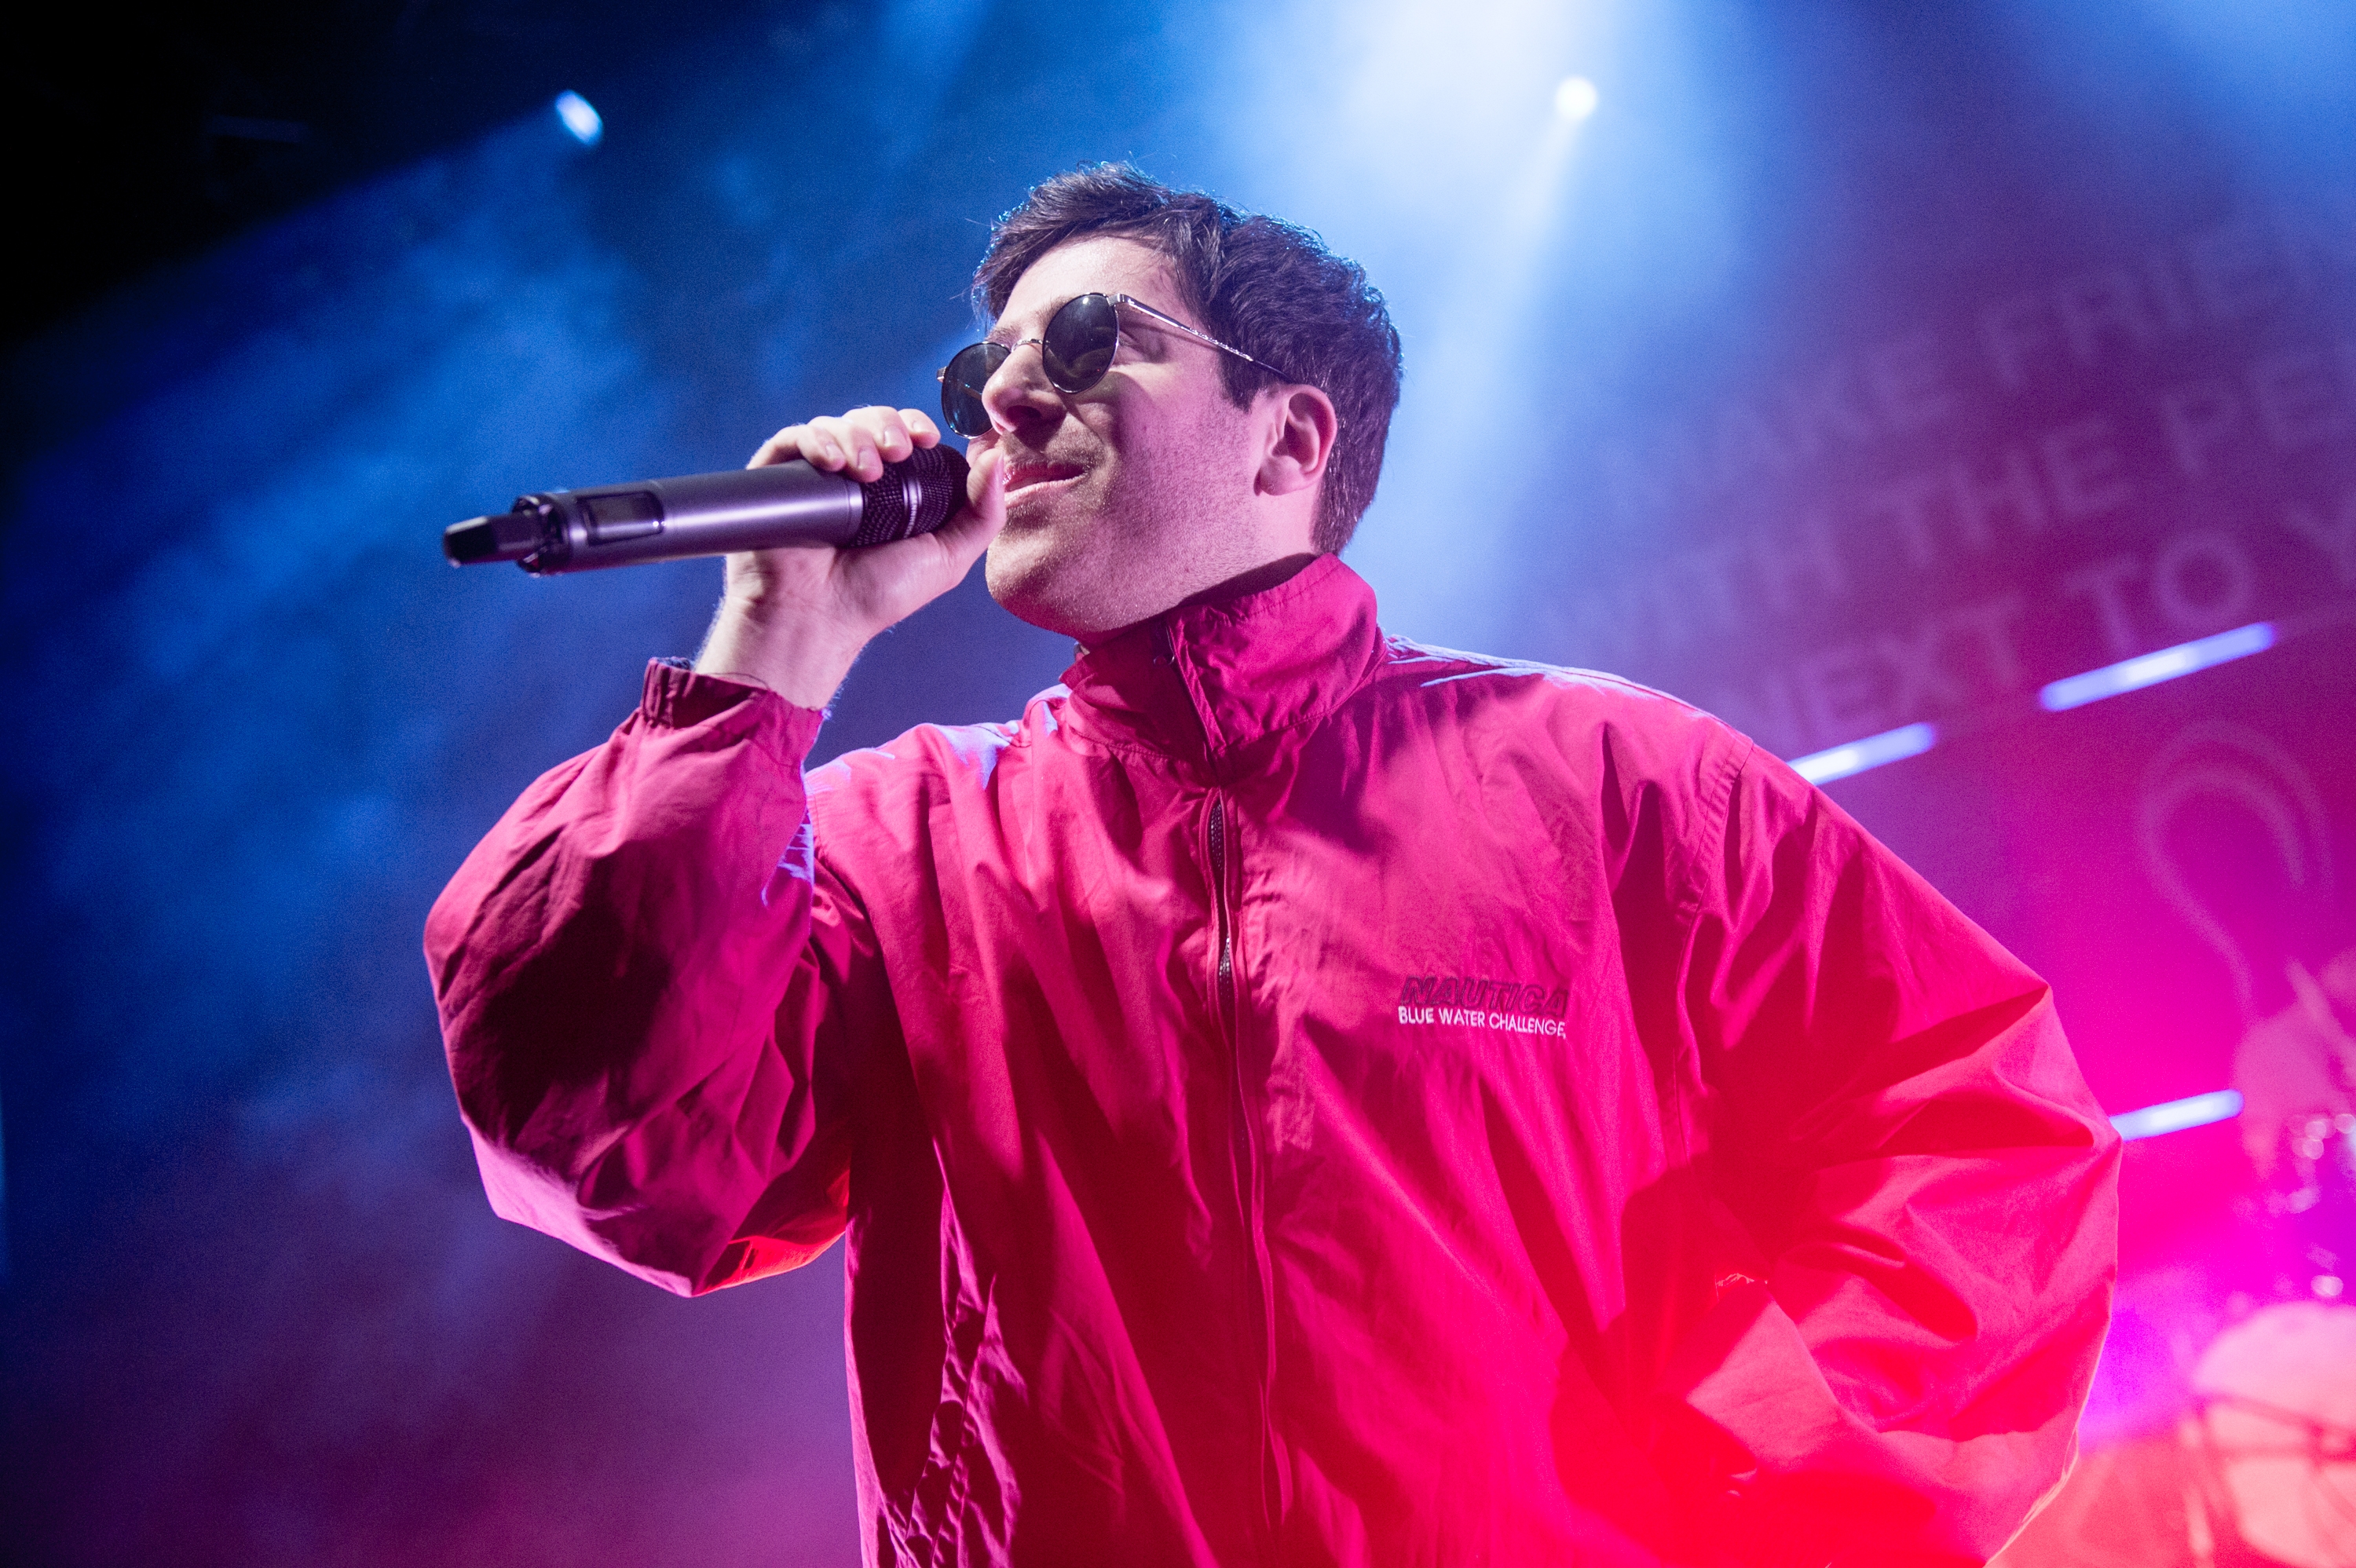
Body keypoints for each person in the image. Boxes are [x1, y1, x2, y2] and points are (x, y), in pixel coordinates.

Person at [426, 166, 2120, 1566]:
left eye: (1085, 339)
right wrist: (771, 651)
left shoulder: (1618, 784)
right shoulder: (894, 843)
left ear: (1289, 441)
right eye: (981, 371)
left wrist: (1735, 1489)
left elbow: (1980, 1140)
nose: (1002, 397)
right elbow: (608, 1131)